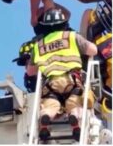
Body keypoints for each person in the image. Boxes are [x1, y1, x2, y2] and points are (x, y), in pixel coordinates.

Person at [28, 9, 97, 141]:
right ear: (63, 23)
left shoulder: (37, 46)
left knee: (50, 104)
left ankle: (45, 118)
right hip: (72, 80)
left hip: (50, 84)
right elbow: (92, 50)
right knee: (75, 104)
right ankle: (75, 120)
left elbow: (30, 72)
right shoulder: (71, 36)